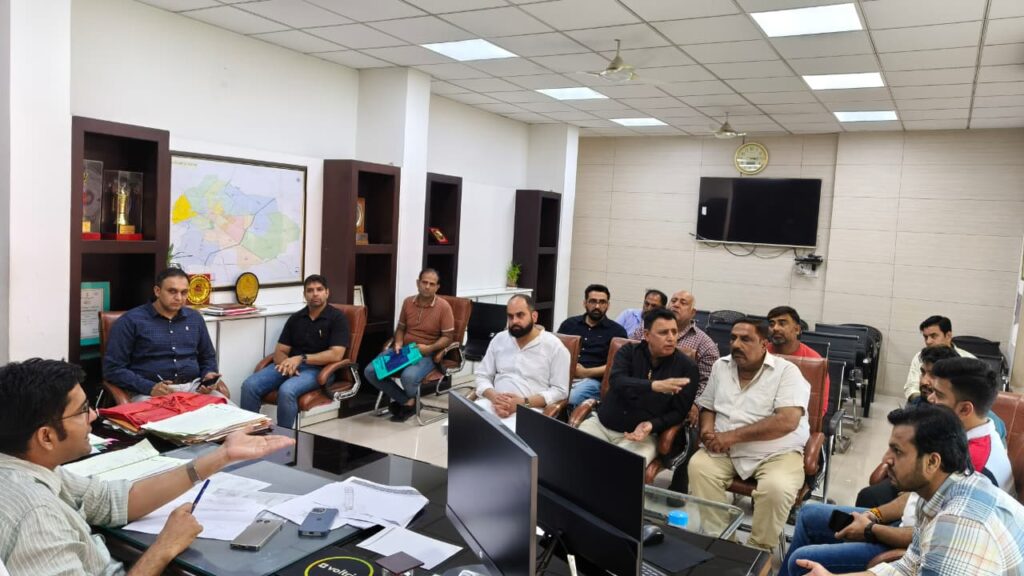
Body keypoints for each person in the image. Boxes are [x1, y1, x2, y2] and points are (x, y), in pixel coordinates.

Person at [0, 358, 294, 576]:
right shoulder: (34, 516)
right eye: (82, 411)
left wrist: (221, 456)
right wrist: (164, 547)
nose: (94, 415)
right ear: (46, 437)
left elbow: (112, 501)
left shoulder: (31, 466)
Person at [782, 356, 1012, 576]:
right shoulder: (943, 471)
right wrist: (873, 515)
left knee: (802, 560)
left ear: (965, 409)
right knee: (810, 514)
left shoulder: (972, 476)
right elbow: (913, 553)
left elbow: (925, 551)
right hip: (908, 531)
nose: (930, 399)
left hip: (908, 541)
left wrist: (870, 530)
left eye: (939, 395)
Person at [688, 318, 810, 551]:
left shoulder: (787, 372)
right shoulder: (721, 366)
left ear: (764, 344)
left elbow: (787, 421)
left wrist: (730, 437)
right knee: (699, 467)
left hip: (776, 452)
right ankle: (722, 542)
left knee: (777, 488)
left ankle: (758, 551)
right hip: (725, 450)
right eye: (733, 338)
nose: (736, 344)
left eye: (745, 339)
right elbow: (708, 406)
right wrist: (707, 431)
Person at [578, 308, 699, 465]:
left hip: (643, 436)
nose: (671, 338)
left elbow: (679, 412)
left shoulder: (687, 367)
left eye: (674, 332)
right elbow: (617, 381)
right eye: (663, 333)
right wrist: (653, 386)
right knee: (574, 456)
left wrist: (652, 425)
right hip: (601, 425)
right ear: (647, 335)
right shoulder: (628, 351)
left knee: (621, 468)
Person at [240, 274, 349, 428]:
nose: (315, 294)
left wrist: (301, 359)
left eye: (319, 289)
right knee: (249, 385)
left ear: (327, 292)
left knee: (287, 390)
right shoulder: (296, 318)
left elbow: (336, 354)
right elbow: (280, 351)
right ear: (304, 294)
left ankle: (284, 436)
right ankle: (251, 433)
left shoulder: (337, 318)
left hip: (320, 370)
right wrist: (287, 364)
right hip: (291, 365)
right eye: (310, 290)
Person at [103, 268, 227, 402]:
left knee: (232, 413)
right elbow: (113, 369)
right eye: (172, 291)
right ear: (157, 291)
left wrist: (208, 374)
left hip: (195, 388)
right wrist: (149, 387)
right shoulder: (130, 321)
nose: (179, 298)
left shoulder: (195, 318)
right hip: (150, 392)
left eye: (184, 292)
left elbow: (208, 357)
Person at [364, 268, 454, 422]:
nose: (427, 286)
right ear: (418, 283)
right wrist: (398, 342)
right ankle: (408, 402)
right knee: (371, 371)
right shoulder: (408, 302)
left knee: (408, 377)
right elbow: (401, 328)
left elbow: (448, 337)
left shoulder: (444, 307)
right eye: (424, 282)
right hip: (404, 351)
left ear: (437, 287)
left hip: (427, 354)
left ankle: (406, 403)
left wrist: (429, 348)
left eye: (432, 284)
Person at [659, 290, 720, 494]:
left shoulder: (705, 343)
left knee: (694, 427)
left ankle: (679, 485)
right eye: (673, 301)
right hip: (650, 395)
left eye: (683, 302)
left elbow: (709, 382)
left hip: (684, 402)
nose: (676, 305)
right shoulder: (646, 330)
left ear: (693, 312)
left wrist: (695, 403)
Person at [474, 295, 570, 421]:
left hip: (529, 409)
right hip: (493, 404)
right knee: (460, 424)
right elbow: (482, 375)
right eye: (510, 316)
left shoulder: (555, 347)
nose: (514, 321)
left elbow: (560, 391)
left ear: (534, 316)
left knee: (503, 433)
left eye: (520, 315)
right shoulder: (499, 339)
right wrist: (495, 398)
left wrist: (523, 403)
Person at [559, 284, 627, 408]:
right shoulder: (569, 324)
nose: (597, 306)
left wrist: (585, 373)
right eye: (593, 301)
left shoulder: (617, 332)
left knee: (571, 397)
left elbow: (617, 366)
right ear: (585, 303)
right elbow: (555, 352)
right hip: (563, 376)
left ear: (608, 305)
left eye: (602, 302)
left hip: (592, 381)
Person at [766, 306, 829, 415]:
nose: (775, 328)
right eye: (772, 324)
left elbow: (818, 408)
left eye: (782, 323)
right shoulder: (758, 353)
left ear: (797, 330)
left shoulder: (813, 362)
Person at [903, 316, 975, 404]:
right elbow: (911, 387)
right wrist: (921, 403)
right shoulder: (920, 357)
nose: (928, 341)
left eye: (933, 336)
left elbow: (972, 395)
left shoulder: (969, 360)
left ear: (948, 336)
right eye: (925, 337)